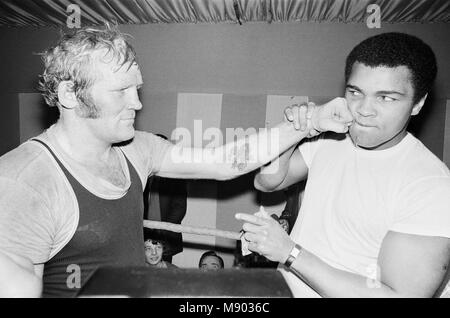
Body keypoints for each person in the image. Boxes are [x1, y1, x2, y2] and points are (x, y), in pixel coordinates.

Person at [0, 24, 351, 297]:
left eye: (136, 89)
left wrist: (309, 123)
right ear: (69, 95)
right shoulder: (25, 182)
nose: (137, 103)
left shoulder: (136, 148)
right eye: (121, 91)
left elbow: (225, 161)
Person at [237, 32, 450, 297]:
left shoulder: (431, 185)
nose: (363, 109)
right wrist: (294, 129)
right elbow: (268, 181)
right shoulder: (333, 136)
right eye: (355, 92)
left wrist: (290, 253)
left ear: (418, 103)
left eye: (386, 98)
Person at [145, 134, 187, 263]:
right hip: (143, 235)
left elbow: (179, 208)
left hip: (166, 236)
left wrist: (161, 230)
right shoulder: (142, 173)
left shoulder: (176, 176)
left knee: (165, 274)